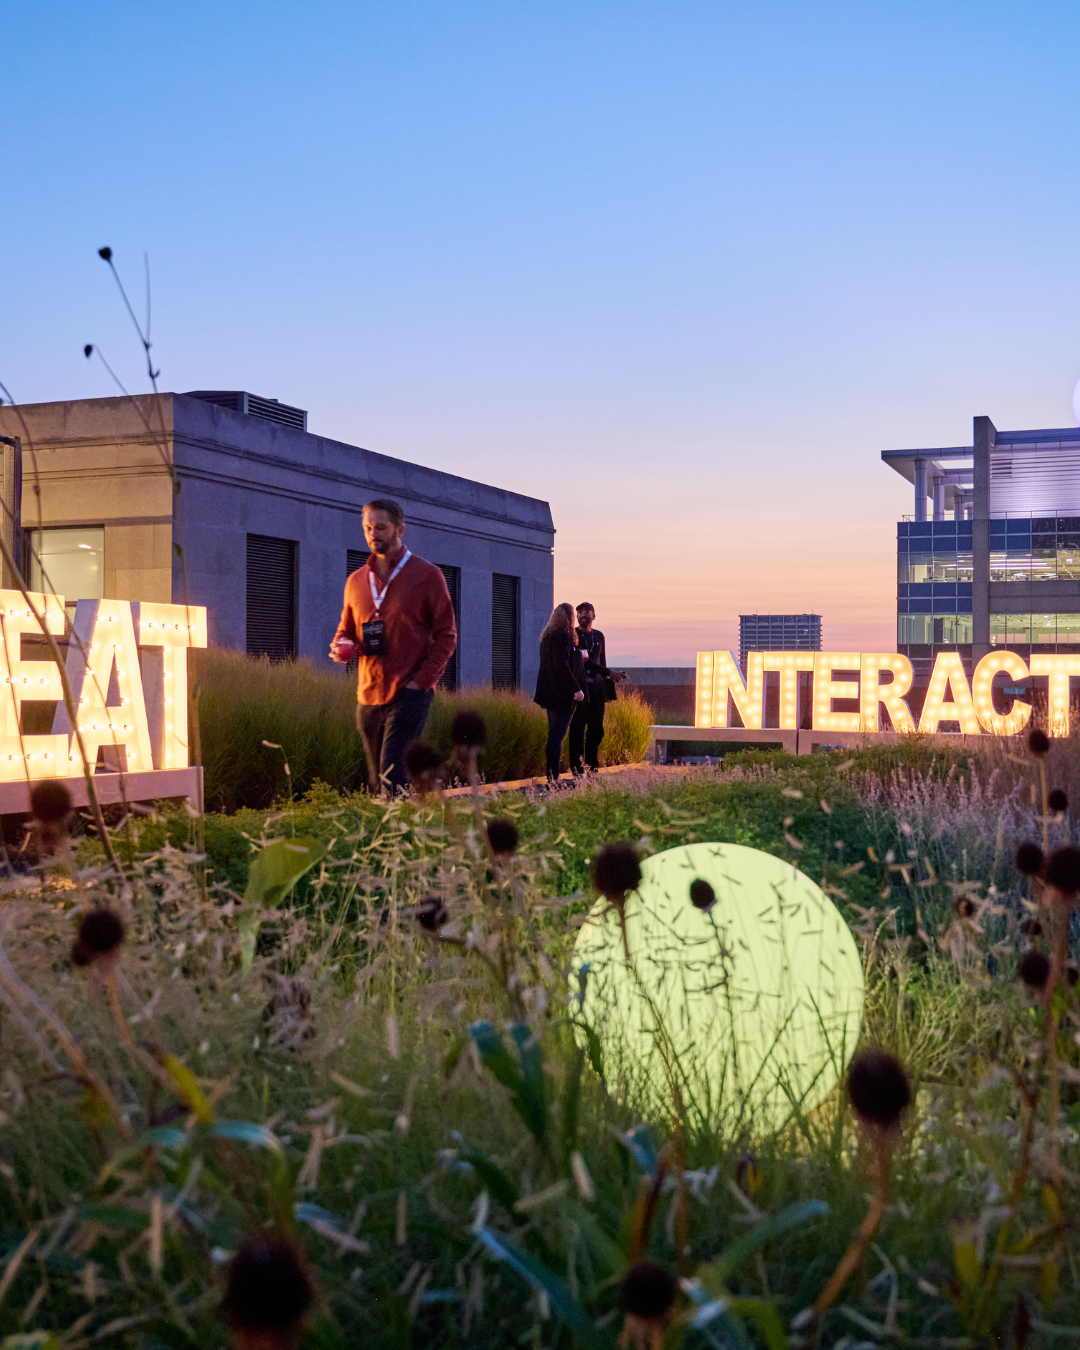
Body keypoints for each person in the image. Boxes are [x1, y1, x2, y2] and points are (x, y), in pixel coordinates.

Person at [330, 499, 457, 795]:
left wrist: (421, 682)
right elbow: (345, 629)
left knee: (392, 776)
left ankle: (400, 826)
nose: (373, 534)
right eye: (368, 528)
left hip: (408, 693)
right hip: (368, 695)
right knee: (377, 782)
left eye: (381, 527)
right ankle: (398, 823)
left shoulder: (427, 576)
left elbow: (447, 635)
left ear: (400, 529)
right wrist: (342, 645)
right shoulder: (356, 581)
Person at [569, 602, 626, 774]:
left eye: (587, 612)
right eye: (580, 612)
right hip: (580, 688)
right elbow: (585, 663)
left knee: (596, 729)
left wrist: (608, 682)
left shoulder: (599, 636)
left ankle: (592, 768)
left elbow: (602, 661)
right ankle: (578, 770)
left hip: (597, 689)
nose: (583, 615)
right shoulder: (573, 635)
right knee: (578, 729)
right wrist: (609, 672)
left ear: (593, 616)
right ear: (576, 616)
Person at [533, 603, 586, 783]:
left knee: (554, 737)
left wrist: (578, 657)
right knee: (556, 738)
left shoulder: (547, 638)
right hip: (562, 697)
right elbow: (562, 665)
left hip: (550, 695)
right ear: (569, 617)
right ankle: (553, 779)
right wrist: (576, 689)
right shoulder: (563, 637)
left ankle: (552, 777)